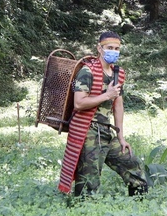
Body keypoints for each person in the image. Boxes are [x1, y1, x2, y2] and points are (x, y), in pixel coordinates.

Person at [57, 31, 148, 197]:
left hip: (106, 130)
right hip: (88, 130)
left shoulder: (117, 73)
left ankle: (141, 205)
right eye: (109, 48)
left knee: (132, 164)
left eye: (117, 48)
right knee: (89, 180)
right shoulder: (88, 71)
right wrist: (107, 95)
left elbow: (118, 105)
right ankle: (83, 207)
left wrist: (121, 137)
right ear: (100, 48)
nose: (114, 51)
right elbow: (79, 103)